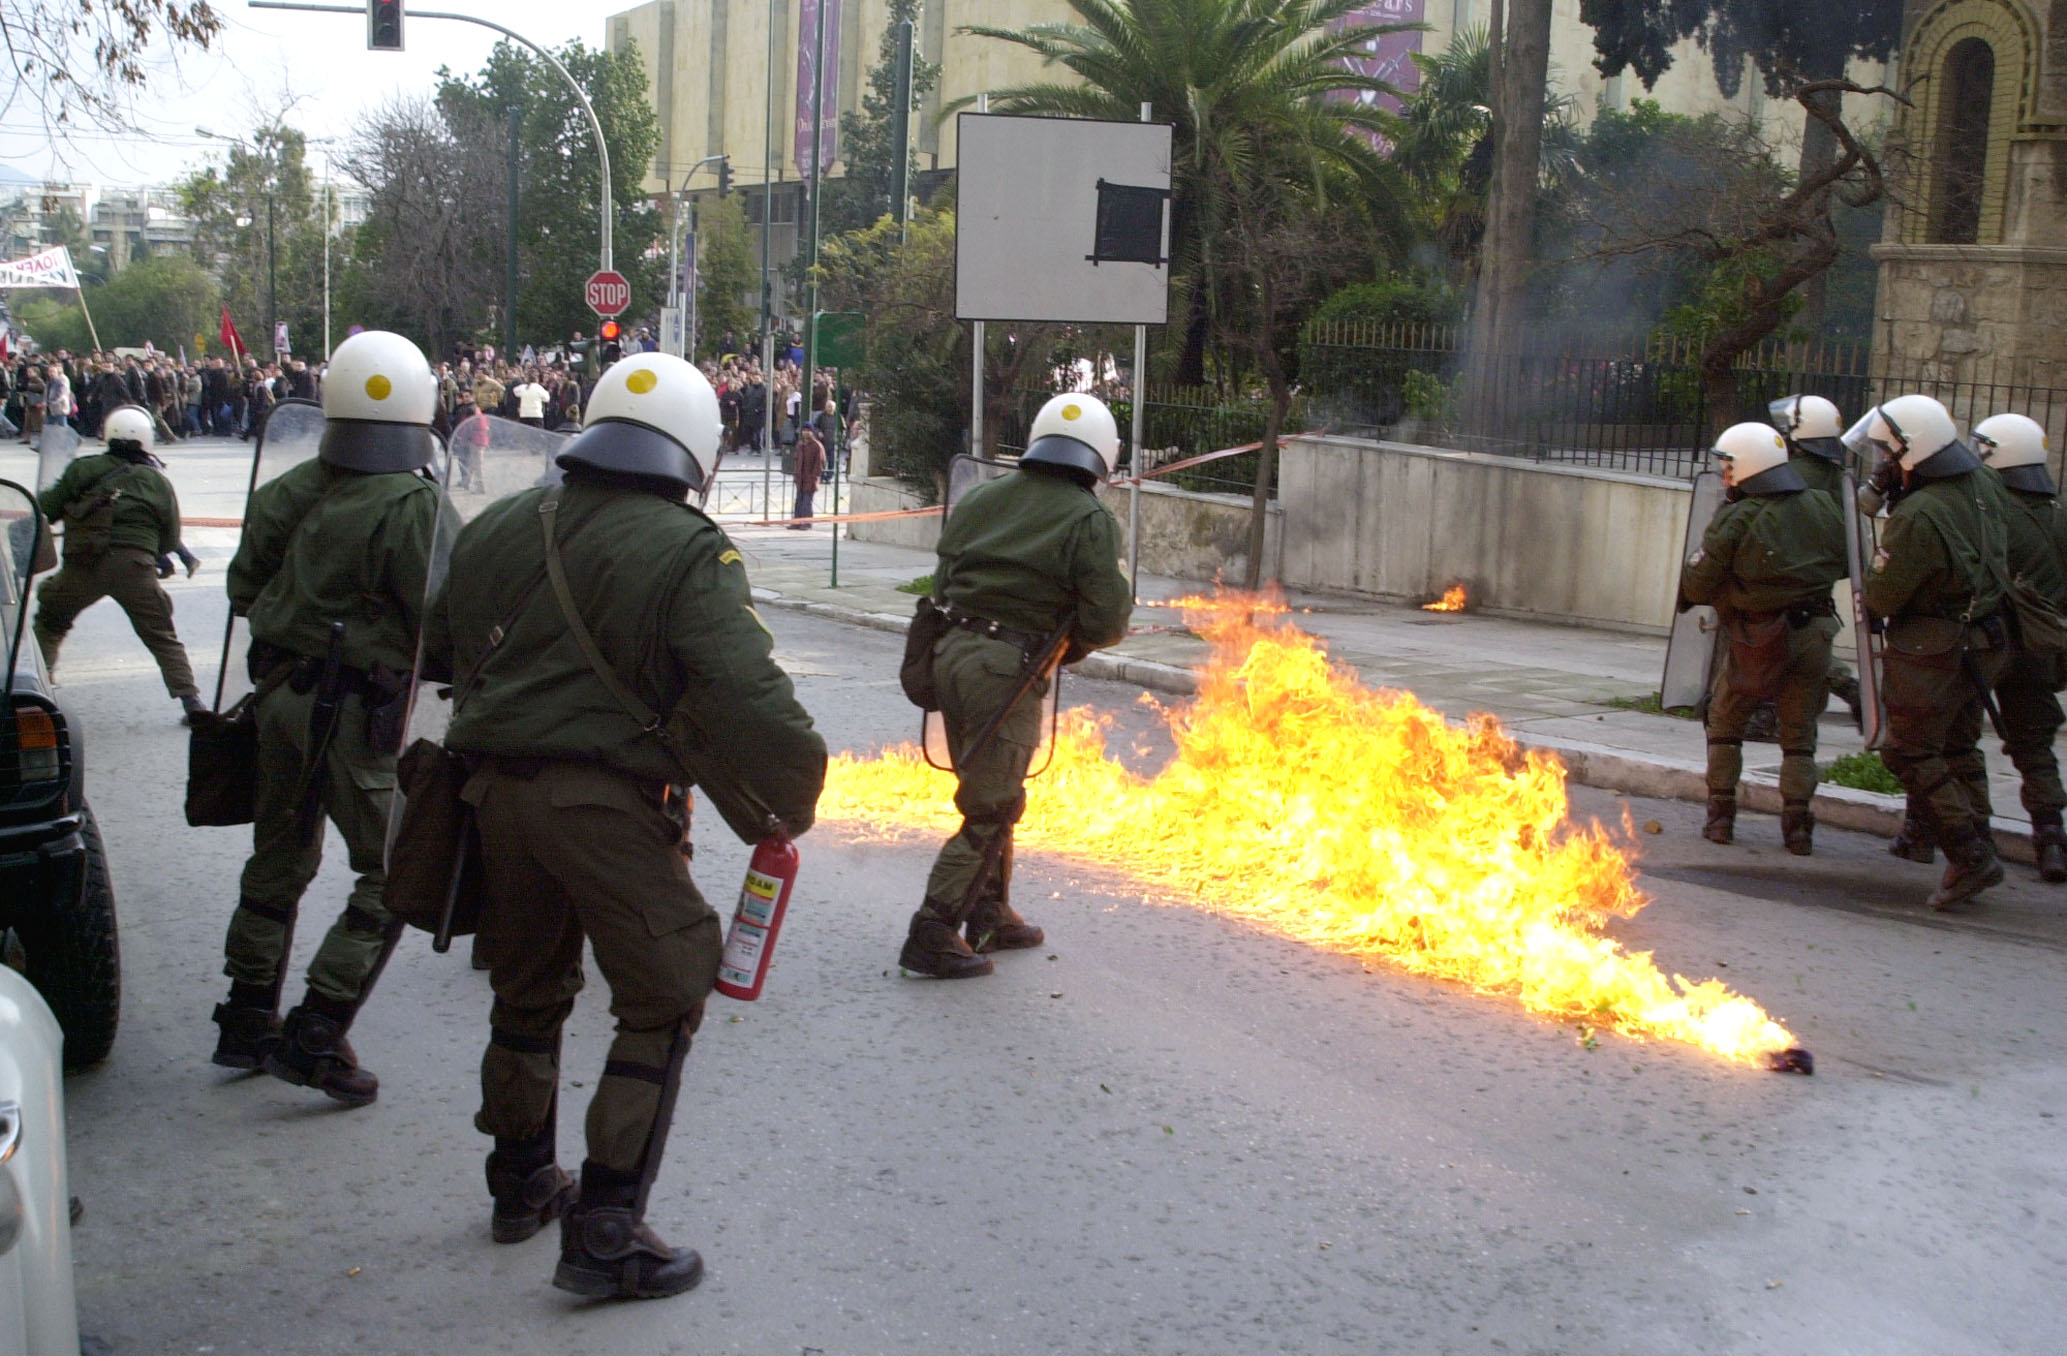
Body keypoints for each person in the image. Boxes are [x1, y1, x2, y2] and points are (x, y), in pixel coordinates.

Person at [421, 351, 824, 1299]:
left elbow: (435, 647)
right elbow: (746, 693)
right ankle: (605, 1229)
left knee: (526, 991)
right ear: (694, 450)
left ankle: (520, 1185)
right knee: (668, 986)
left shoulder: (501, 525)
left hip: (493, 796)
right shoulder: (688, 548)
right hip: (601, 806)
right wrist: (791, 791)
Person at [207, 330, 441, 1105]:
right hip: (350, 713)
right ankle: (315, 1032)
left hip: (279, 698)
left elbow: (244, 589)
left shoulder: (290, 490)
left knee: (278, 859)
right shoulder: (411, 504)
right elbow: (443, 615)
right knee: (397, 870)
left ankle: (245, 1016)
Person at [898, 393, 1134, 979]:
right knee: (992, 803)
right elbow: (1107, 619)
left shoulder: (981, 498)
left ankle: (990, 912)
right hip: (1006, 668)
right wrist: (1065, 646)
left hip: (949, 656)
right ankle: (932, 931)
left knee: (993, 785)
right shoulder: (1089, 519)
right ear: (1101, 456)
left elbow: (946, 578)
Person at [1855, 394, 2013, 910]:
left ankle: (1969, 855)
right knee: (1960, 745)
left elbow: (1882, 595)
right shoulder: (1984, 482)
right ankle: (1980, 840)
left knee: (1910, 748)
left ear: (1913, 450)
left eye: (1888, 452)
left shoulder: (1920, 513)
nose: (1882, 463)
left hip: (1932, 648)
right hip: (1984, 636)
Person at [1676, 422, 1847, 854]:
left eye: (1728, 464)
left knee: (1726, 722)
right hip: (1815, 632)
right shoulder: (1824, 505)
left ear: (1749, 465)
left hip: (1756, 636)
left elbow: (1696, 584)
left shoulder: (1738, 516)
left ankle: (1720, 817)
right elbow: (1845, 563)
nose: (1724, 472)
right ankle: (1798, 828)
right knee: (1800, 733)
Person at [33, 404, 207, 722]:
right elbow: (169, 539)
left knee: (50, 622)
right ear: (146, 439)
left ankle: (38, 693)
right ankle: (192, 702)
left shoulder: (83, 469)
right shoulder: (157, 482)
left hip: (82, 566)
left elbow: (47, 507)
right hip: (135, 569)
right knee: (162, 637)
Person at [1973, 412, 2067, 883]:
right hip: (2038, 649)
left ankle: (1940, 833)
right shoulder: (2060, 515)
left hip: (1987, 643)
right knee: (2034, 746)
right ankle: (2050, 837)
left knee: (1953, 737)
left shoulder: (1987, 510)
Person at [790, 420, 823, 528]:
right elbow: (796, 460)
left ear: (812, 432)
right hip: (800, 478)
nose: (806, 433)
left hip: (810, 479)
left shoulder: (817, 446)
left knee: (807, 502)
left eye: (808, 431)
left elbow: (819, 464)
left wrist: (814, 477)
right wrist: (796, 475)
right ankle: (796, 522)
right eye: (804, 430)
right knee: (799, 501)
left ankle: (806, 522)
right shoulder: (800, 445)